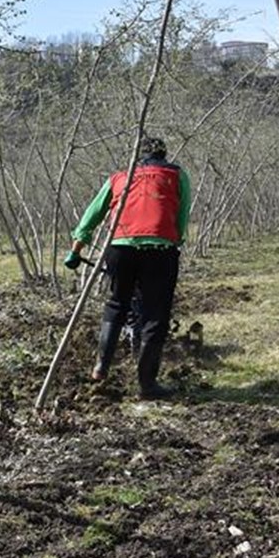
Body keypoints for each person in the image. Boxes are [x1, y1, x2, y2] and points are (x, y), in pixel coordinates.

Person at [63, 136, 191, 399]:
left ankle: (101, 367)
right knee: (156, 314)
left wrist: (76, 250)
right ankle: (147, 385)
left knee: (117, 303)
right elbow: (182, 215)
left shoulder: (120, 177)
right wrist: (175, 240)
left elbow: (92, 214)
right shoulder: (176, 174)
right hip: (159, 250)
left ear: (137, 156)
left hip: (120, 248)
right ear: (163, 156)